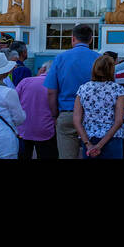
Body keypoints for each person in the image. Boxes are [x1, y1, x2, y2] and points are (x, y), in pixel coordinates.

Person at [44, 23, 99, 159]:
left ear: (73, 38)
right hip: (93, 115)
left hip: (67, 113)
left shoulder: (60, 58)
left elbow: (51, 92)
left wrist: (54, 115)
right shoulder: (99, 58)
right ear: (91, 39)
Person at [74, 54, 124, 159]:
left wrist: (88, 144)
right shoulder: (117, 89)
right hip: (112, 138)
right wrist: (100, 146)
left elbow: (76, 120)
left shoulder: (83, 89)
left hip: (89, 138)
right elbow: (119, 120)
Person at [15, 61, 56, 159]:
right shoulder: (55, 84)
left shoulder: (25, 81)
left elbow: (14, 102)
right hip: (46, 129)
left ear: (42, 69)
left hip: (24, 128)